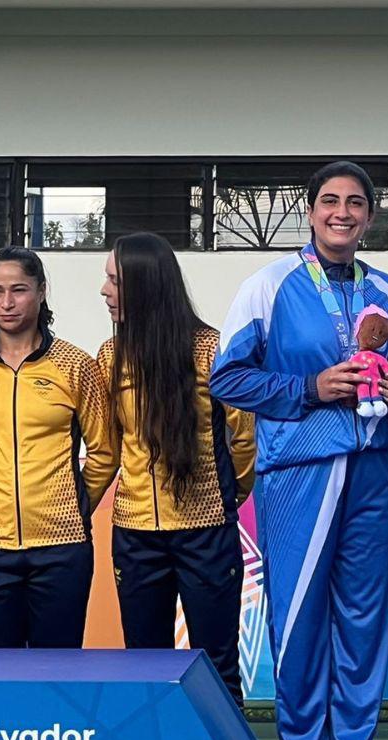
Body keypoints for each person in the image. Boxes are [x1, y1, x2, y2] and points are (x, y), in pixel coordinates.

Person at [210, 161, 388, 740]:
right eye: (329, 201)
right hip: (298, 470)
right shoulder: (268, 285)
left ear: (370, 216)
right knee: (297, 620)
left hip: (372, 470)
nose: (341, 213)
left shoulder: (386, 290)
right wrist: (309, 389)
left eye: (355, 203)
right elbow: (227, 378)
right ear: (310, 210)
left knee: (363, 622)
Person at [97, 231, 256, 705]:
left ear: (145, 284)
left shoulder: (211, 349)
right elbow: (109, 446)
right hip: (135, 534)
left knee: (216, 664)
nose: (104, 291)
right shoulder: (110, 356)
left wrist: (224, 497)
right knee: (145, 665)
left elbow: (244, 439)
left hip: (205, 533)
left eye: (114, 281)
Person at [0, 247, 115, 647]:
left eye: (18, 290)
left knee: (57, 668)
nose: (7, 303)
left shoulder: (75, 364)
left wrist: (75, 505)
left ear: (41, 292)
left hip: (61, 549)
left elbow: (105, 451)